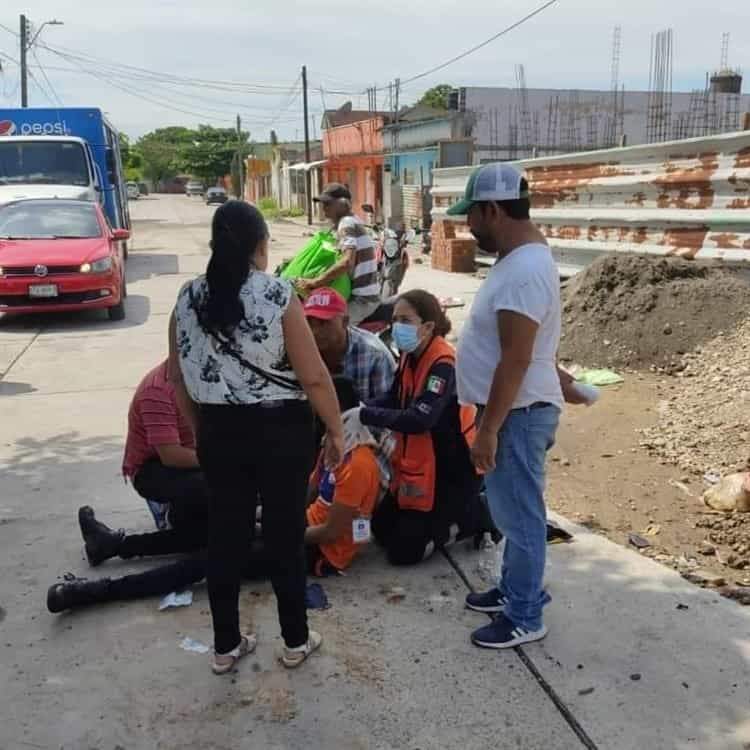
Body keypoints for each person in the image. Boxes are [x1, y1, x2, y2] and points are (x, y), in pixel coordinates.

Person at [169, 200, 344, 674]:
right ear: (259, 245)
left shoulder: (187, 297)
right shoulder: (277, 294)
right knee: (284, 536)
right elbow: (313, 378)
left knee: (224, 535)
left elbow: (177, 377)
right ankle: (294, 641)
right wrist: (336, 429)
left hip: (219, 431)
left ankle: (225, 647)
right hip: (280, 431)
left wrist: (200, 428)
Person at [46, 377, 380, 608]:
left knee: (207, 562)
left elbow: (331, 532)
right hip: (297, 527)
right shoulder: (335, 447)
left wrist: (273, 529)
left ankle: (94, 592)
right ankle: (114, 545)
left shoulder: (359, 465)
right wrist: (263, 512)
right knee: (204, 531)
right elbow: (308, 492)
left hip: (315, 552)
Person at [450, 163, 563, 649]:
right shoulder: (520, 261)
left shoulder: (523, 271)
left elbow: (516, 357)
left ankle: (524, 614)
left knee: (521, 517)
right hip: (513, 411)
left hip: (515, 415)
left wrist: (488, 429)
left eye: (470, 216)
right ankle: (516, 589)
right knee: (511, 512)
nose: (467, 227)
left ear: (491, 210)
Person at [355, 289, 481, 565]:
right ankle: (440, 520)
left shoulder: (443, 364)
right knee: (381, 529)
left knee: (403, 553)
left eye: (405, 320)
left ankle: (471, 518)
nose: (397, 327)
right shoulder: (409, 355)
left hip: (452, 470)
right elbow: (395, 396)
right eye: (395, 319)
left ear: (427, 326)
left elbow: (420, 418)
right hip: (421, 465)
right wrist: (360, 409)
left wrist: (366, 416)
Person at [121, 359, 207, 534]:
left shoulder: (212, 375)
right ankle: (169, 510)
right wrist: (224, 461)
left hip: (198, 453)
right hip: (153, 466)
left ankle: (112, 545)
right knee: (215, 486)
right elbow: (171, 455)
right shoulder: (157, 389)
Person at [296, 183, 380, 325]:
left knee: (327, 330)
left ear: (343, 204)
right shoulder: (353, 220)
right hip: (358, 296)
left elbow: (347, 262)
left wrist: (316, 282)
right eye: (323, 204)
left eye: (328, 204)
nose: (324, 209)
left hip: (361, 300)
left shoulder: (346, 223)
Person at [303, 287, 395, 402]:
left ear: (345, 322)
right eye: (309, 322)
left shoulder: (374, 356)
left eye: (323, 323)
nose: (315, 331)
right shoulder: (296, 349)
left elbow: (384, 409)